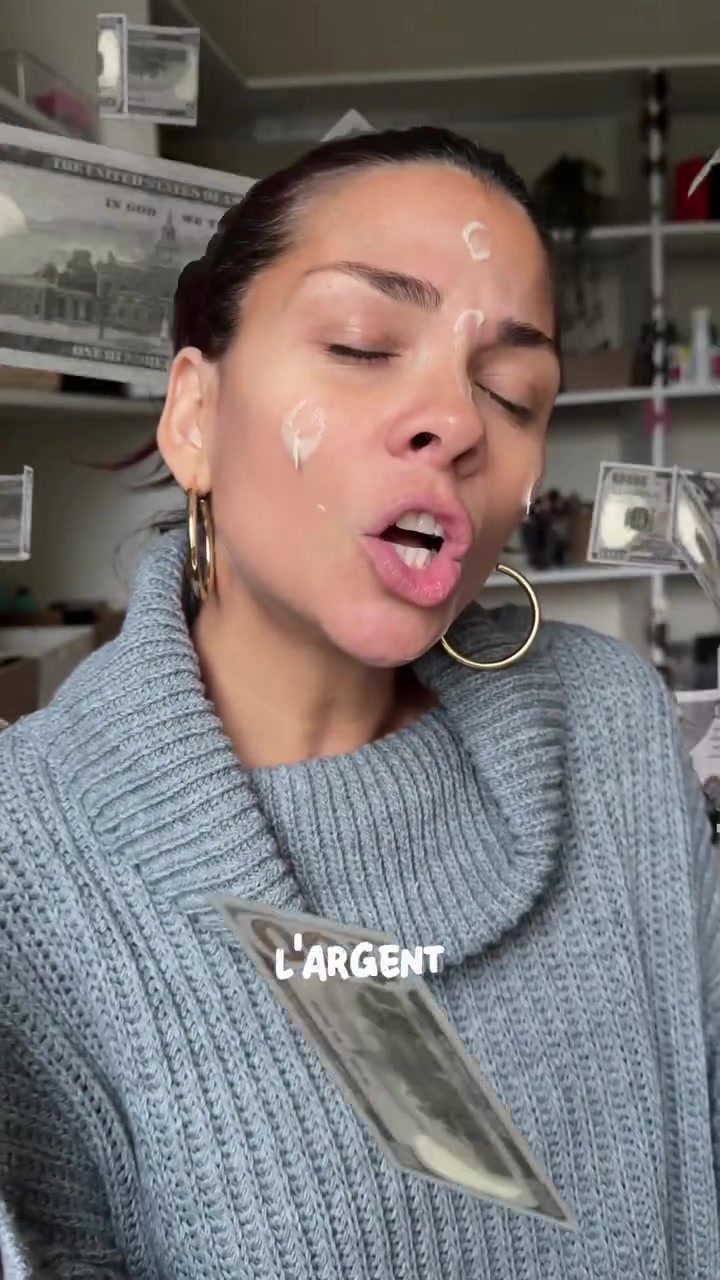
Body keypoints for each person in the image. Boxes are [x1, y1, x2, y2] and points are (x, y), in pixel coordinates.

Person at [0, 125, 718, 1280]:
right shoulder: (26, 862)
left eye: (514, 391)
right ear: (194, 416)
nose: (460, 421)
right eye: (361, 343)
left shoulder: (613, 728)